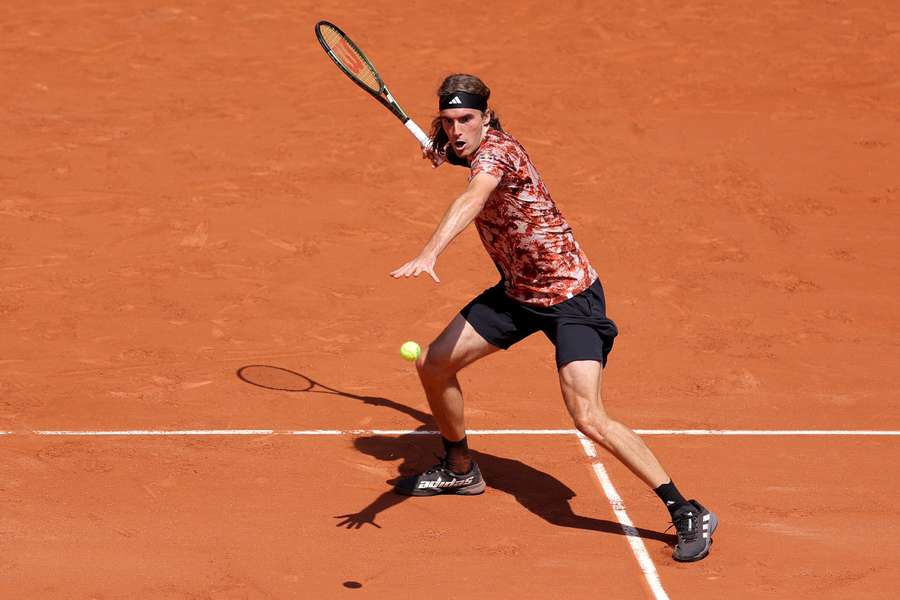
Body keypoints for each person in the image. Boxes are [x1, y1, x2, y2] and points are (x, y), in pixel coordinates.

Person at [389, 73, 717, 562]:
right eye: (448, 121)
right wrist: (445, 148)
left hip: (570, 298)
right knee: (435, 364)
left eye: (466, 120)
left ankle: (686, 508)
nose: (456, 130)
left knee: (588, 416)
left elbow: (474, 196)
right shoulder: (468, 144)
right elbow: (461, 156)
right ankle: (460, 469)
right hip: (518, 295)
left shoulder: (498, 153)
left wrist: (430, 251)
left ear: (487, 118)